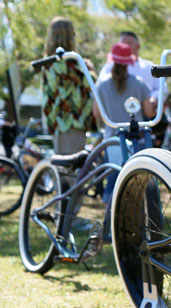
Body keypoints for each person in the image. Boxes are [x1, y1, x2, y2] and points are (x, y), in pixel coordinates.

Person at [93, 42, 155, 202]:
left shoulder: (101, 85)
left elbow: (96, 114)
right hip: (137, 139)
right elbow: (149, 112)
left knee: (113, 179)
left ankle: (111, 217)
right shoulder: (139, 83)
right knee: (140, 181)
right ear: (129, 62)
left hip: (113, 140)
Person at [41, 17, 96, 155]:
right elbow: (90, 84)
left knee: (63, 165)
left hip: (57, 121)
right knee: (72, 167)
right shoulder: (69, 62)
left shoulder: (48, 62)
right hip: (72, 121)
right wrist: (90, 70)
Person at [99, 31, 160, 102]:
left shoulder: (150, 66)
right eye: (122, 44)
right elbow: (101, 87)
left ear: (138, 46)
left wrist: (153, 99)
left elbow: (162, 88)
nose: (124, 47)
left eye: (128, 44)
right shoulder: (110, 66)